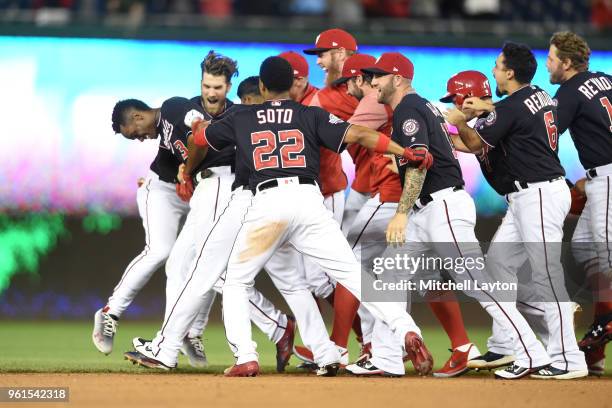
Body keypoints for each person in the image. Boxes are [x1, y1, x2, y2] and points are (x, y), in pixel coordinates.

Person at [193, 56, 435, 377]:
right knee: (350, 274)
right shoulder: (310, 113)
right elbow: (361, 135)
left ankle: (246, 357)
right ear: (292, 86)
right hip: (309, 201)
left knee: (237, 282)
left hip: (268, 203)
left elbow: (200, 139)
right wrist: (405, 152)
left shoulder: (242, 116)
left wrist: (201, 127)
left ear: (262, 86)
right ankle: (403, 329)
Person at [447, 41, 588, 379]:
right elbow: (509, 113)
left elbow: (476, 143)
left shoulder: (508, 108)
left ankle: (569, 358)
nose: (494, 70)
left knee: (545, 275)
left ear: (509, 72)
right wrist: (485, 109)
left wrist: (461, 121)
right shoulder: (535, 94)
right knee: (497, 267)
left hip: (538, 193)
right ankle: (513, 341)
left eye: (497, 65)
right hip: (531, 195)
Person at [92, 100, 190, 358]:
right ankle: (110, 312)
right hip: (162, 191)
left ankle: (189, 333)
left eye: (136, 134)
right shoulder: (166, 123)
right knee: (160, 250)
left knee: (196, 259)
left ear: (137, 116)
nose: (141, 139)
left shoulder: (174, 110)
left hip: (194, 194)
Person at [547, 31, 612, 376]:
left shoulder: (569, 91)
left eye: (552, 58)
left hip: (609, 178)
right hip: (602, 176)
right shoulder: (605, 79)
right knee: (586, 247)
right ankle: (597, 348)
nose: (548, 63)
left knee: (603, 251)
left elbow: (543, 132)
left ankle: (607, 320)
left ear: (567, 63)